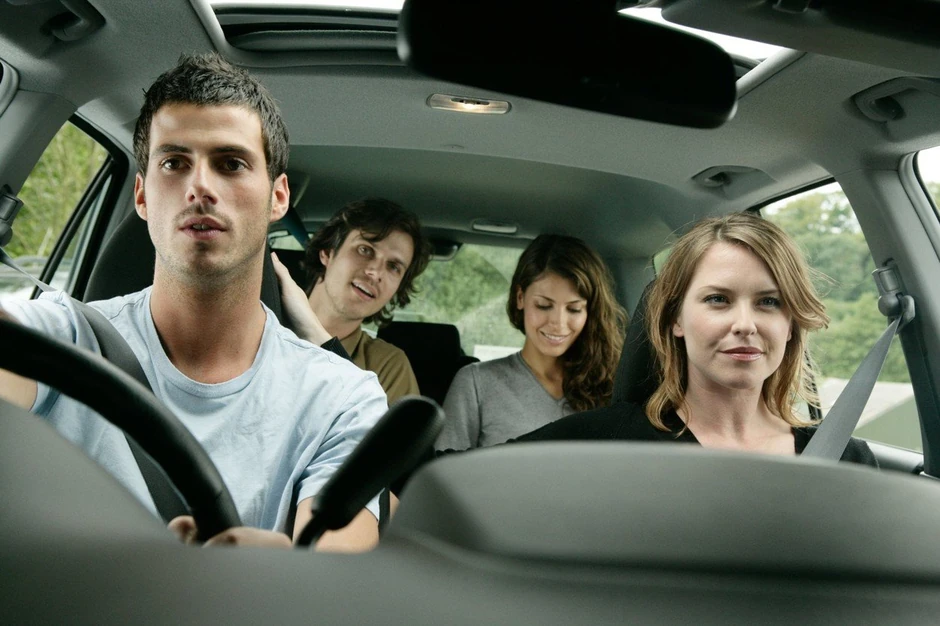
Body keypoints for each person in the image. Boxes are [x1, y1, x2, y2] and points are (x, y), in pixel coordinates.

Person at [0, 52, 390, 550]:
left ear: (278, 197)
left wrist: (286, 569)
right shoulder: (60, 336)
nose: (200, 186)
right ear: (142, 196)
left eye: (230, 164)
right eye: (174, 163)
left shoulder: (343, 398)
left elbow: (337, 565)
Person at [514, 212, 877, 465]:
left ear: (792, 323)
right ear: (676, 318)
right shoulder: (600, 443)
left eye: (769, 302)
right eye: (718, 299)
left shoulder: (846, 459)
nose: (745, 324)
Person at [435, 234, 627, 451]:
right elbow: (444, 469)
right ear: (520, 297)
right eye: (544, 305)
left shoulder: (611, 385)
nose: (558, 323)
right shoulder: (475, 383)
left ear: (589, 312)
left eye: (574, 309)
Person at [273, 198, 430, 404]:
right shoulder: (260, 320)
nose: (375, 272)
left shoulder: (388, 367)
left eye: (393, 267)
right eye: (365, 250)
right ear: (328, 252)